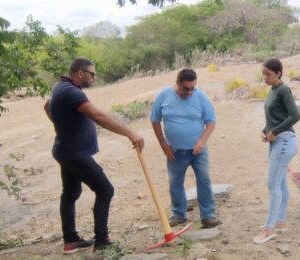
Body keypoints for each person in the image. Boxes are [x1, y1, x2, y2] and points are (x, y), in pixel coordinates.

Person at [44, 58, 144, 254]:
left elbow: (47, 105)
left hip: (65, 150)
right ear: (80, 73)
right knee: (105, 190)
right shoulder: (71, 92)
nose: (94, 77)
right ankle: (102, 242)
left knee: (71, 194)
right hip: (75, 154)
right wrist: (130, 133)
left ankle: (70, 241)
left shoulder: (61, 86)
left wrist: (63, 125)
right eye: (92, 74)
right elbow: (99, 116)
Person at [150, 68, 222, 229]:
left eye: (192, 88)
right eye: (185, 88)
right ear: (177, 84)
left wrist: (202, 141)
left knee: (204, 180)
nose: (189, 92)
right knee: (175, 183)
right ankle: (178, 215)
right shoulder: (164, 96)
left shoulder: (201, 97)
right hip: (175, 152)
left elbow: (211, 121)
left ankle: (208, 216)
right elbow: (155, 120)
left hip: (198, 151)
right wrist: (163, 144)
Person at [253, 58, 300, 244]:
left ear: (279, 73)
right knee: (280, 183)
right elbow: (275, 118)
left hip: (285, 141)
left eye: (268, 74)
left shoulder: (283, 90)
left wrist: (276, 131)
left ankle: (269, 228)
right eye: (263, 74)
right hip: (277, 141)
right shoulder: (273, 91)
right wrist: (265, 131)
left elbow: (295, 115)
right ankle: (279, 221)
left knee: (273, 184)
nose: (265, 77)